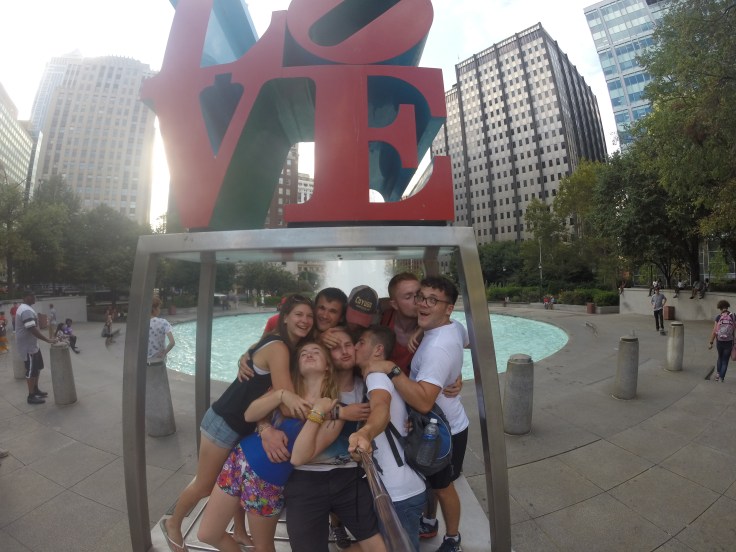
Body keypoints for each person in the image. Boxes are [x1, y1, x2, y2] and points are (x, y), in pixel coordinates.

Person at [161, 295, 314, 552]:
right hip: (224, 422)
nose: (305, 320)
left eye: (309, 316)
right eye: (299, 314)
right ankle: (174, 524)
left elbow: (258, 359)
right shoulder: (280, 347)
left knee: (235, 483)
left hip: (242, 423)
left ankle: (240, 530)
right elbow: (287, 402)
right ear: (285, 317)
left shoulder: (281, 342)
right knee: (205, 484)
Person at [198, 341, 340, 552]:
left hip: (266, 482)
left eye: (316, 352)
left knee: (263, 547)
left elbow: (302, 456)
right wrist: (279, 397)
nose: (309, 354)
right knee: (207, 533)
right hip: (238, 460)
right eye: (303, 353)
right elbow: (250, 414)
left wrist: (317, 412)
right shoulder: (286, 389)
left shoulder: (333, 410)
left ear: (328, 366)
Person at [367, 276, 469, 552]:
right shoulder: (446, 328)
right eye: (421, 297)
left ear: (448, 308)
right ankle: (429, 521)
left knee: (442, 486)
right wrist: (426, 332)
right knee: (431, 479)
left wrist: (390, 368)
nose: (422, 303)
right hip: (433, 425)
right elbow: (463, 336)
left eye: (431, 300)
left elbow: (424, 401)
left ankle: (453, 539)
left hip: (444, 430)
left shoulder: (437, 348)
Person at [283, 326, 385, 552]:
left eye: (348, 345)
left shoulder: (367, 384)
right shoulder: (301, 388)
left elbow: (388, 404)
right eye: (335, 348)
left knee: (378, 545)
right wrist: (263, 428)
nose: (345, 351)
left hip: (349, 476)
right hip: (304, 480)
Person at [349, 325, 427, 551]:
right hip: (403, 487)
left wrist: (366, 431)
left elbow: (381, 408)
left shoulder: (377, 378)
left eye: (361, 342)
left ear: (377, 350)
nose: (355, 347)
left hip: (399, 493)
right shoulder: (379, 378)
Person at [15, 290, 57, 404]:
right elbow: (31, 329)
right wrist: (47, 339)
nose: (34, 297)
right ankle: (31, 396)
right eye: (31, 296)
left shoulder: (27, 308)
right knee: (31, 371)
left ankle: (36, 389)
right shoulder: (25, 310)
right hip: (28, 347)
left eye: (34, 295)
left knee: (37, 368)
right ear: (24, 297)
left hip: (33, 345)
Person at [381, 272, 421, 375]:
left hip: (417, 387)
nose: (417, 301)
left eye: (419, 294)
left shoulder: (431, 326)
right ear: (394, 305)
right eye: (408, 297)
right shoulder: (382, 320)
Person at [708, 300, 735, 383]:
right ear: (727, 306)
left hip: (719, 341)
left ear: (719, 307)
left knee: (720, 357)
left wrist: (711, 342)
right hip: (729, 341)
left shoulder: (718, 317)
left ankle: (717, 375)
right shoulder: (733, 316)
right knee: (725, 360)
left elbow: (714, 331)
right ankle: (721, 378)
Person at [148, 297, 175, 366]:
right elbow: (172, 342)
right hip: (159, 360)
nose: (159, 310)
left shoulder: (142, 323)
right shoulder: (163, 322)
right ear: (154, 309)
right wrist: (164, 353)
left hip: (146, 360)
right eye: (159, 308)